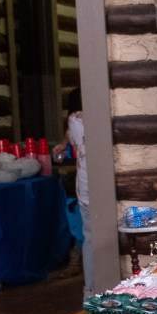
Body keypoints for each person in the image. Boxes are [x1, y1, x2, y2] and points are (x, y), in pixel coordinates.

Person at [53, 89, 94, 298]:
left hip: (84, 186)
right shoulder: (93, 117)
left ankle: (90, 290)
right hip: (96, 184)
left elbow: (70, 134)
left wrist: (63, 143)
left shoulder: (73, 120)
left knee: (90, 238)